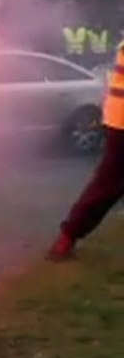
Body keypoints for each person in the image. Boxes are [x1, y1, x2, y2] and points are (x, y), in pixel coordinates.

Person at [49, 36, 124, 261]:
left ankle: (67, 237)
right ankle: (67, 237)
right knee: (109, 183)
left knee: (108, 183)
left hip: (118, 117)